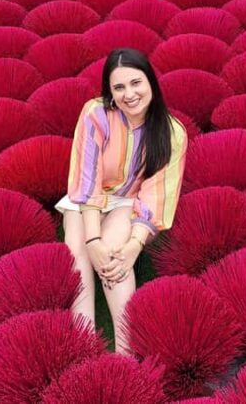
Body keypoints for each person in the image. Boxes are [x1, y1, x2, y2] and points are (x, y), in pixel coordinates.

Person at [54, 47, 188, 354]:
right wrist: (93, 243)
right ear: (110, 94)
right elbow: (87, 185)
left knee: (115, 254)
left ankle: (127, 353)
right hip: (86, 200)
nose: (130, 94)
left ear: (151, 83)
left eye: (136, 83)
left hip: (129, 203)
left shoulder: (172, 134)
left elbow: (155, 197)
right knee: (78, 251)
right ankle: (84, 346)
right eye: (119, 87)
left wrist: (132, 248)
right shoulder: (95, 114)